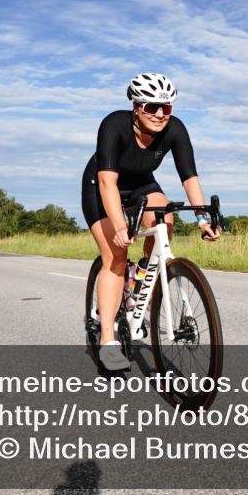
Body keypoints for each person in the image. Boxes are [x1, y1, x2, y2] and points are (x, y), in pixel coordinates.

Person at [81, 73, 220, 370]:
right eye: (151, 107)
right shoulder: (113, 125)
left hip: (142, 184)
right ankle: (108, 340)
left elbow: (189, 176)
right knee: (115, 256)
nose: (159, 114)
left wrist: (202, 217)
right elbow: (107, 183)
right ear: (136, 108)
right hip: (102, 185)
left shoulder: (175, 129)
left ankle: (139, 282)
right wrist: (119, 226)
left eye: (166, 108)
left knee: (164, 214)